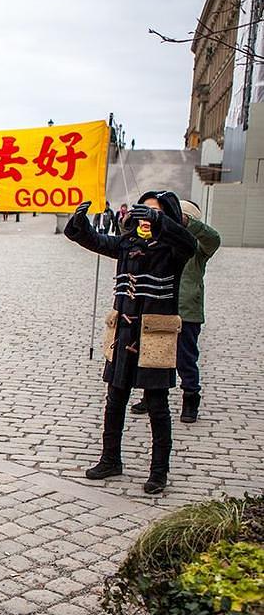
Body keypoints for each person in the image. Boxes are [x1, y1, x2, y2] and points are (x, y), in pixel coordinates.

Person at [64, 191, 196, 494]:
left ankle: (159, 471)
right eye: (143, 211)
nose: (145, 218)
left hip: (154, 335)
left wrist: (161, 222)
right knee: (115, 399)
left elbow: (189, 244)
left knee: (158, 406)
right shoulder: (128, 244)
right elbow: (97, 242)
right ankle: (110, 458)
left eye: (154, 212)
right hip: (124, 334)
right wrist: (80, 224)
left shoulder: (173, 250)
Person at [131, 200, 220, 422]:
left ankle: (191, 397)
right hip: (158, 306)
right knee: (152, 353)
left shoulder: (198, 249)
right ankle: (149, 395)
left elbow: (214, 239)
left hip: (186, 310)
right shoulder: (160, 240)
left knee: (185, 358)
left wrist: (187, 223)